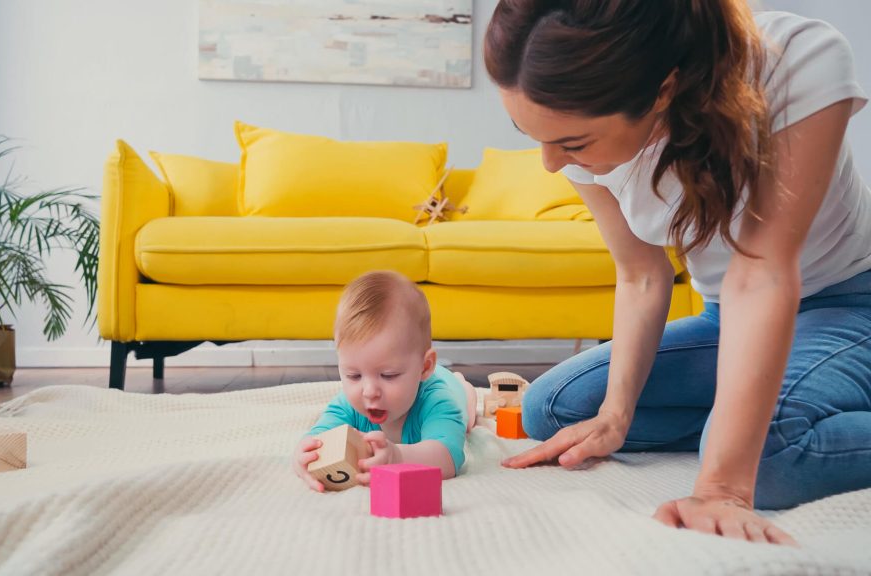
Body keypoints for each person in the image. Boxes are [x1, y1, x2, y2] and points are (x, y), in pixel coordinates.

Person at [484, 0, 870, 545]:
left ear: (663, 91)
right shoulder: (577, 132)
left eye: (571, 144)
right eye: (534, 137)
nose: (552, 163)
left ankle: (764, 423)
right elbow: (642, 275)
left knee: (772, 459)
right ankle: (765, 413)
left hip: (847, 302)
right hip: (728, 318)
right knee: (553, 410)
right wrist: (616, 415)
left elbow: (761, 274)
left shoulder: (797, 58)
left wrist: (722, 487)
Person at [292, 270, 478, 492]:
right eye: (354, 375)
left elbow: (448, 458)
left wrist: (397, 456)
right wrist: (303, 455)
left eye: (388, 375)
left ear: (424, 367)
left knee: (466, 416)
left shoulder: (437, 401)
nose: (369, 391)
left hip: (450, 387)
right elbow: (318, 436)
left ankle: (466, 388)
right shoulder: (347, 406)